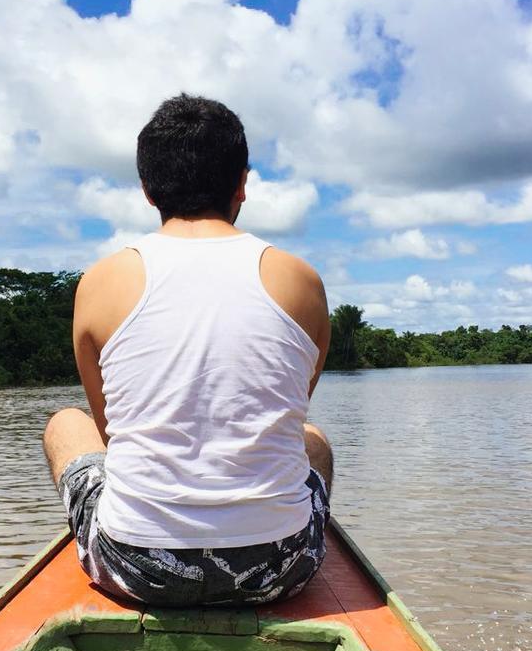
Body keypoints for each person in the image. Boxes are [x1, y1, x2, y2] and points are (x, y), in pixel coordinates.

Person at [43, 94, 332, 606]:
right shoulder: (301, 281)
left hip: (139, 564)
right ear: (242, 181)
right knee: (313, 440)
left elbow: (110, 433)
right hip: (281, 566)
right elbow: (289, 413)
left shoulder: (101, 281)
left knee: (65, 423)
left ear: (147, 191)